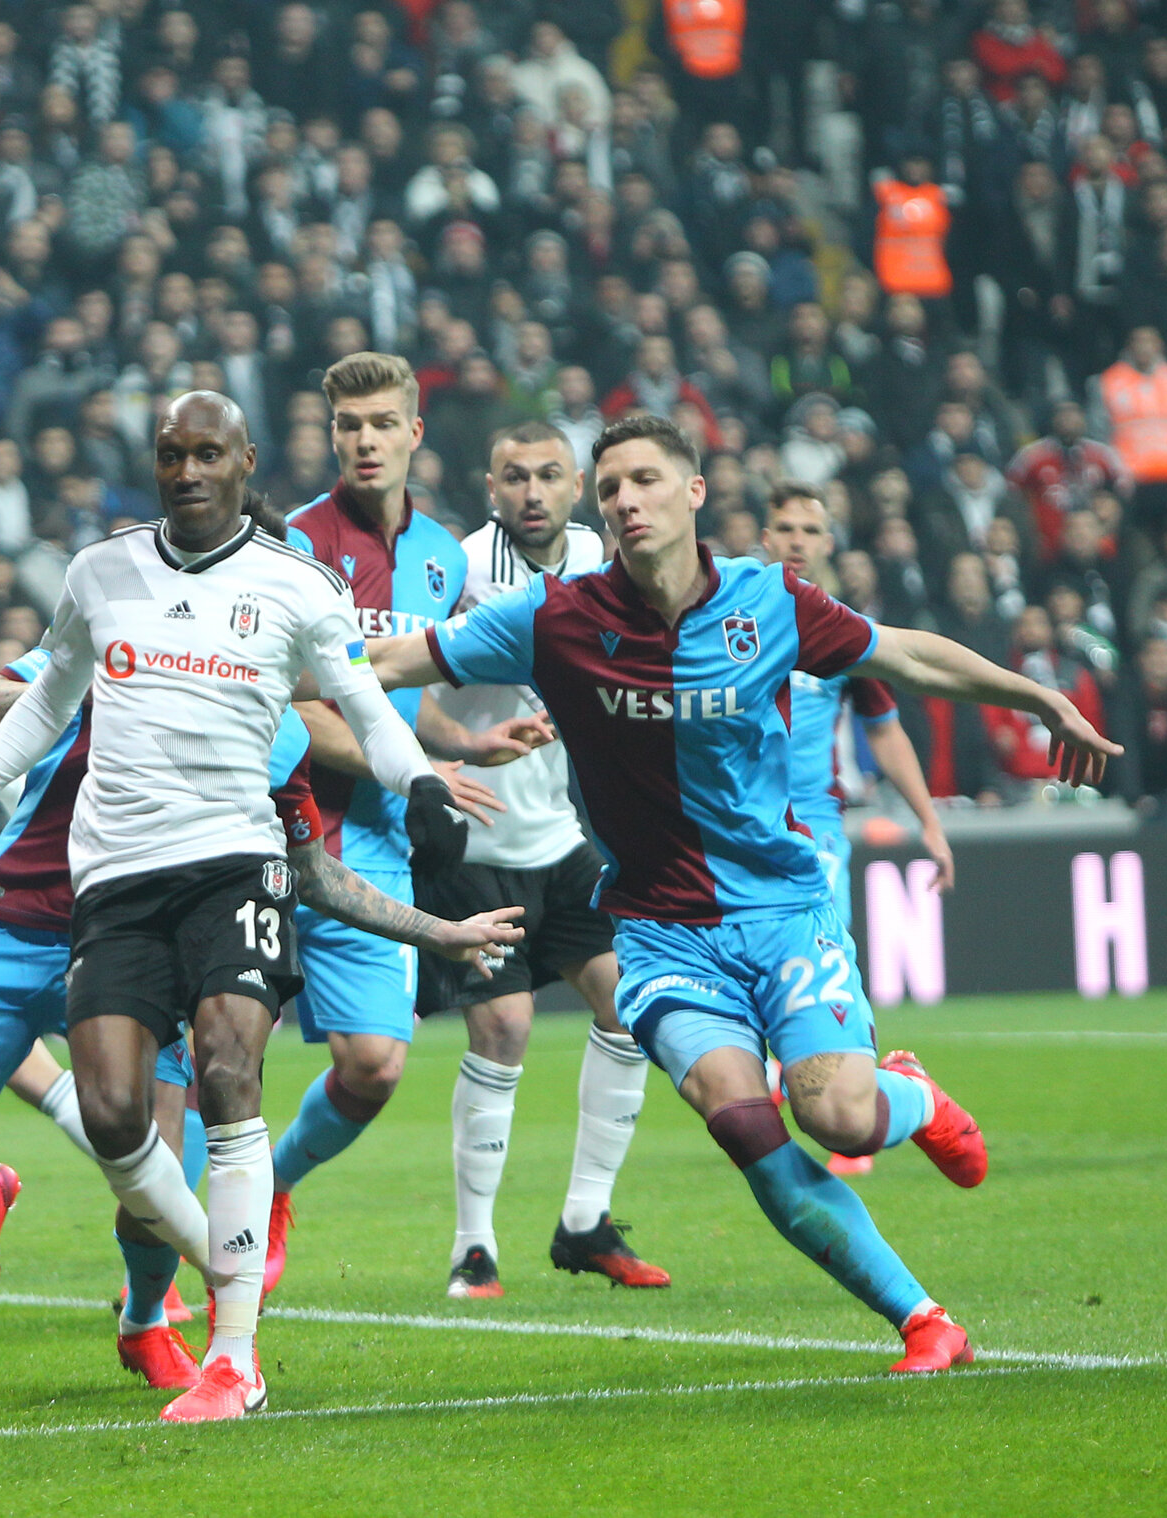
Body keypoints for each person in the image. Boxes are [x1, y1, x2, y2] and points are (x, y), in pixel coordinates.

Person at [363, 414, 1118, 1373]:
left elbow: (906, 656)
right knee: (748, 1124)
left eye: (643, 480)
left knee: (838, 1116)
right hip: (662, 936)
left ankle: (912, 1100)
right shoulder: (558, 617)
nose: (625, 501)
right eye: (610, 490)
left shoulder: (770, 603)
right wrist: (283, 673)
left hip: (781, 911)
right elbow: (391, 661)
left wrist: (1039, 697)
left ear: (694, 492)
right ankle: (926, 1321)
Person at [0, 392, 470, 1422]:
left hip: (231, 871)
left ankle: (230, 1354)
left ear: (245, 460)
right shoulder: (100, 572)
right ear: (154, 462)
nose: (188, 471)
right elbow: (48, 696)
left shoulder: (294, 585)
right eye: (170, 455)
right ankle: (209, 1268)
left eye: (208, 454)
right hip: (111, 882)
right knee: (110, 1116)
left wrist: (417, 783)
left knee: (226, 1072)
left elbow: (364, 702)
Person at [0, 600, 521, 1377]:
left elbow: (310, 871)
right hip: (13, 926)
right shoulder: (106, 646)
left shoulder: (278, 733)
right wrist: (105, 684)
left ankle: (146, 1321)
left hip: (147, 948)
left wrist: (437, 932)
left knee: (158, 1167)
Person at [259, 352, 529, 1296]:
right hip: (272, 825)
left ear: (415, 432)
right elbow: (295, 704)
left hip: (374, 835)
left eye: (382, 423)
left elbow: (401, 697)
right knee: (216, 1060)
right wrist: (411, 767)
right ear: (330, 436)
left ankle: (273, 1188)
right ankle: (177, 1276)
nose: (364, 441)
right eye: (348, 426)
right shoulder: (291, 546)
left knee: (373, 1067)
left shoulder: (443, 555)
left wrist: (460, 748)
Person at [416, 421, 671, 1297]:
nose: (531, 492)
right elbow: (413, 703)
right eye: (514, 476)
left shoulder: (609, 561)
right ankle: (473, 1246)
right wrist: (467, 744)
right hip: (478, 841)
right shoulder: (458, 570)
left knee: (628, 1006)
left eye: (549, 477)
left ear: (577, 489)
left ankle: (585, 1222)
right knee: (507, 1028)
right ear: (491, 489)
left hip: (562, 839)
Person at [760, 481, 957, 1176]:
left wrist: (928, 821)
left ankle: (856, 1098)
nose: (795, 540)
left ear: (828, 543)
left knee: (823, 959)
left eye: (809, 530)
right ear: (765, 536)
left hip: (813, 825)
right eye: (784, 526)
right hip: (740, 823)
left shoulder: (842, 631)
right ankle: (785, 1092)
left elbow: (885, 730)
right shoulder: (736, 617)